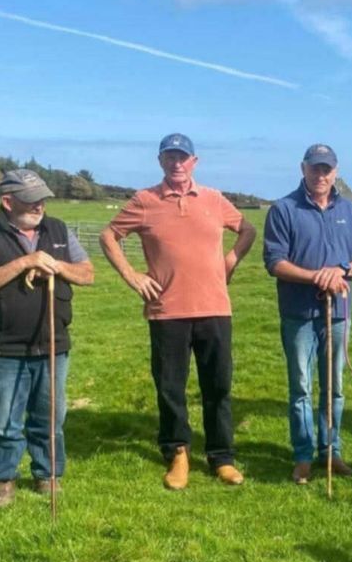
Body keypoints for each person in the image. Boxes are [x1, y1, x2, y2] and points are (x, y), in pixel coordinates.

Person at [100, 133, 256, 489]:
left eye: (183, 157)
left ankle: (222, 456)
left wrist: (230, 260)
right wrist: (132, 276)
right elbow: (109, 236)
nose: (177, 164)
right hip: (166, 309)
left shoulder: (214, 199)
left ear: (194, 162)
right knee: (171, 387)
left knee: (218, 385)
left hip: (215, 307)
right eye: (170, 157)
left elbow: (247, 229)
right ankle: (178, 453)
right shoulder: (144, 201)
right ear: (160, 162)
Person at [0, 169, 95, 508]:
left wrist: (57, 266)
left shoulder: (59, 230)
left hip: (53, 342)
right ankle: (3, 481)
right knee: (3, 421)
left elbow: (87, 273)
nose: (39, 206)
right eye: (30, 200)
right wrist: (26, 262)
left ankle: (48, 476)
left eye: (42, 199)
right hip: (0, 347)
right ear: (8, 202)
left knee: (50, 418)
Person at [263, 143, 352, 484]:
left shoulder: (351, 211)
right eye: (315, 168)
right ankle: (302, 455)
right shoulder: (283, 209)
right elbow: (275, 262)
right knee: (301, 387)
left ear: (336, 171)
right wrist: (317, 276)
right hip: (299, 313)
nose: (321, 174)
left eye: (327, 168)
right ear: (303, 169)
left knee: (335, 388)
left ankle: (332, 451)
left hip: (339, 312)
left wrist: (344, 270)